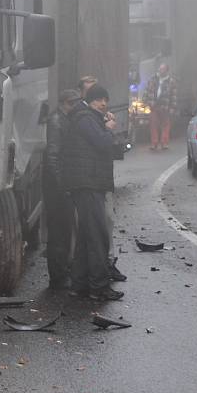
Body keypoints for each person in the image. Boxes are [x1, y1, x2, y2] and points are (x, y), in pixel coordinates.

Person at [61, 84, 123, 301]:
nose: (103, 104)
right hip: (88, 184)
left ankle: (79, 285)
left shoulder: (87, 117)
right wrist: (109, 128)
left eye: (105, 100)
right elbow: (102, 143)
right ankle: (99, 287)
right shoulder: (86, 118)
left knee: (87, 237)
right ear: (90, 100)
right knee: (98, 236)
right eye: (99, 100)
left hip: (87, 183)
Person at [43, 89, 82, 289]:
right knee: (59, 232)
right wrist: (62, 185)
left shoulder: (61, 119)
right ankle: (58, 275)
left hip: (58, 186)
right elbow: (53, 156)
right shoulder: (58, 122)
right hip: (57, 189)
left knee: (63, 231)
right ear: (67, 103)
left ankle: (60, 271)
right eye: (75, 103)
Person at [143, 61, 178, 150]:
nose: (160, 70)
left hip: (165, 106)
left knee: (165, 125)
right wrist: (145, 102)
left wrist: (172, 108)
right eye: (160, 69)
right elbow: (147, 91)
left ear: (166, 71)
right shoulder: (153, 79)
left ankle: (164, 143)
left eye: (162, 69)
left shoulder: (171, 81)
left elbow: (174, 96)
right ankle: (154, 143)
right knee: (153, 125)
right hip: (154, 105)